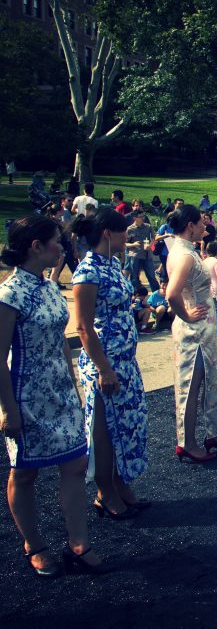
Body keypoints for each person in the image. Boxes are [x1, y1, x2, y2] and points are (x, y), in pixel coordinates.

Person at [0, 215, 109, 576]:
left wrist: (74, 384)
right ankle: (35, 544)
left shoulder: (48, 286)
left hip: (60, 392)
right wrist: (8, 410)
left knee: (75, 465)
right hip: (26, 395)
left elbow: (60, 339)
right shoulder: (9, 295)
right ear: (35, 247)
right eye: (55, 241)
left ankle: (78, 544)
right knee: (25, 474)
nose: (62, 247)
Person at [70, 208, 149, 520]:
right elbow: (84, 328)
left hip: (125, 361)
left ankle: (119, 481)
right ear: (107, 233)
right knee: (104, 430)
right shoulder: (87, 272)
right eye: (122, 231)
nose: (126, 235)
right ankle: (104, 491)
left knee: (127, 427)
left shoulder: (113, 265)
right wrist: (104, 368)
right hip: (105, 364)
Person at [164, 205, 217, 463]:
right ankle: (188, 442)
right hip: (194, 331)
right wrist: (186, 314)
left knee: (211, 380)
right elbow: (171, 293)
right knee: (190, 386)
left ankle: (213, 432)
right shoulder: (185, 255)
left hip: (203, 329)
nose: (206, 228)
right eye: (202, 223)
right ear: (190, 225)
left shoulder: (184, 250)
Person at [125, 210, 160, 293]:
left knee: (151, 276)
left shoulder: (148, 227)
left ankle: (157, 294)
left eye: (143, 216)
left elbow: (154, 238)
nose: (143, 218)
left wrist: (150, 245)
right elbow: (124, 244)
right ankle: (136, 294)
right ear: (135, 218)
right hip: (135, 255)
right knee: (134, 277)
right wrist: (133, 244)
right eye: (140, 217)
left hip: (147, 255)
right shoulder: (130, 229)